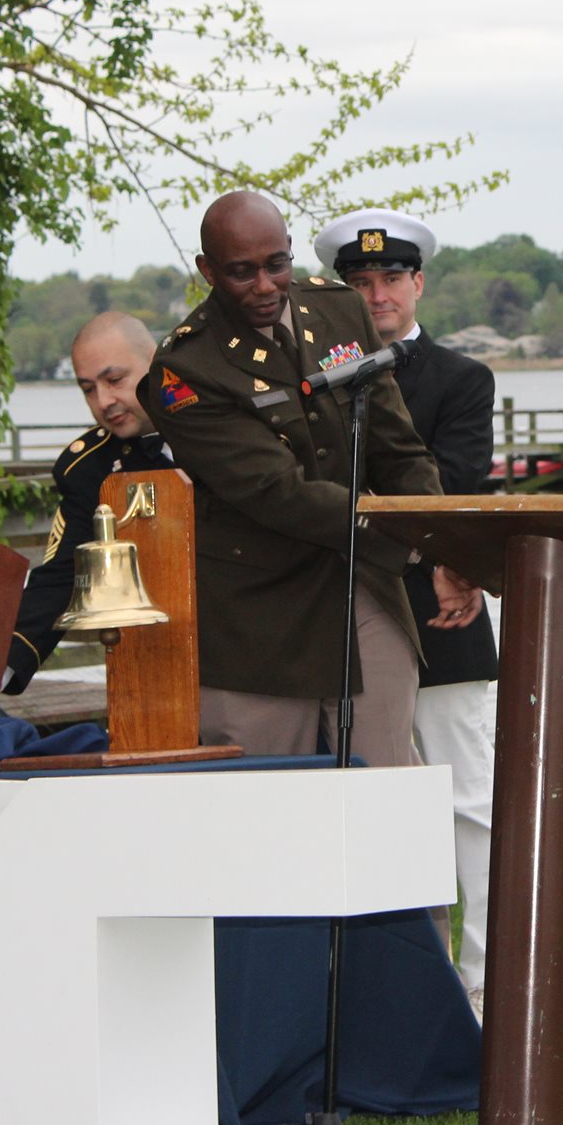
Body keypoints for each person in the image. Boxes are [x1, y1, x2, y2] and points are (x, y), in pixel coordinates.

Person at [141, 190, 479, 759]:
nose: (266, 286)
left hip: (363, 585)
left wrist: (445, 547)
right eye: (242, 272)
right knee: (270, 797)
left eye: (277, 264)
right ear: (207, 270)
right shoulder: (185, 368)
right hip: (259, 617)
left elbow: (399, 450)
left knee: (385, 781)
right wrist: (413, 545)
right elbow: (279, 493)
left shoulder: (338, 310)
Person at [315, 207, 499, 1015]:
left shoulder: (460, 379)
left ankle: (488, 978)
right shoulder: (317, 379)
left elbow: (453, 487)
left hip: (440, 609)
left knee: (468, 802)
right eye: (360, 281)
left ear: (418, 283)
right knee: (375, 806)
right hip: (345, 617)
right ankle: (407, 986)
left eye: (392, 276)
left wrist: (438, 555)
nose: (377, 293)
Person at [4, 312, 175, 695]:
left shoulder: (222, 429)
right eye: (88, 389)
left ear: (157, 363)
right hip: (149, 665)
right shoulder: (89, 469)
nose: (103, 402)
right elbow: (63, 576)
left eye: (114, 380)